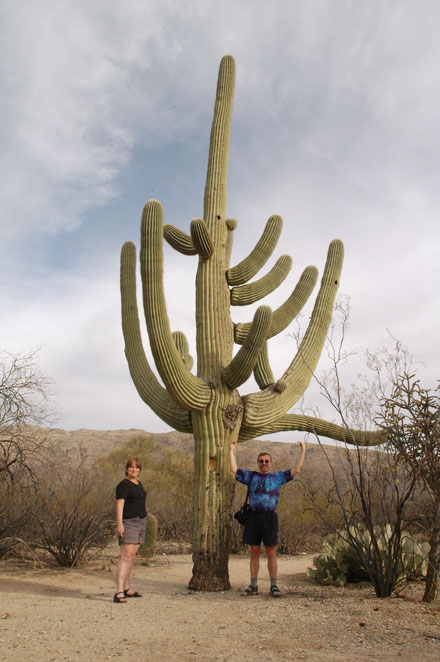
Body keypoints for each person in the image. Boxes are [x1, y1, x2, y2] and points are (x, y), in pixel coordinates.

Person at [229, 439, 306, 597]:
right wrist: (231, 450)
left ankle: (273, 585)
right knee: (254, 551)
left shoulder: (278, 477)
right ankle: (253, 585)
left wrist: (303, 451)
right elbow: (234, 470)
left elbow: (296, 470)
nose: (264, 463)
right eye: (261, 461)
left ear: (271, 463)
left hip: (269, 517)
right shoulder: (251, 476)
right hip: (253, 516)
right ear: (258, 463)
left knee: (271, 551)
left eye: (266, 461)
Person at [114, 457, 147, 603]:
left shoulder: (139, 484)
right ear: (127, 469)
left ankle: (126, 588)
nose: (134, 470)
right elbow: (120, 505)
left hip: (141, 522)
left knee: (131, 557)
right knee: (125, 557)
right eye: (131, 467)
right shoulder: (123, 485)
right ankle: (119, 591)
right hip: (129, 522)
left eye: (137, 467)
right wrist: (120, 524)